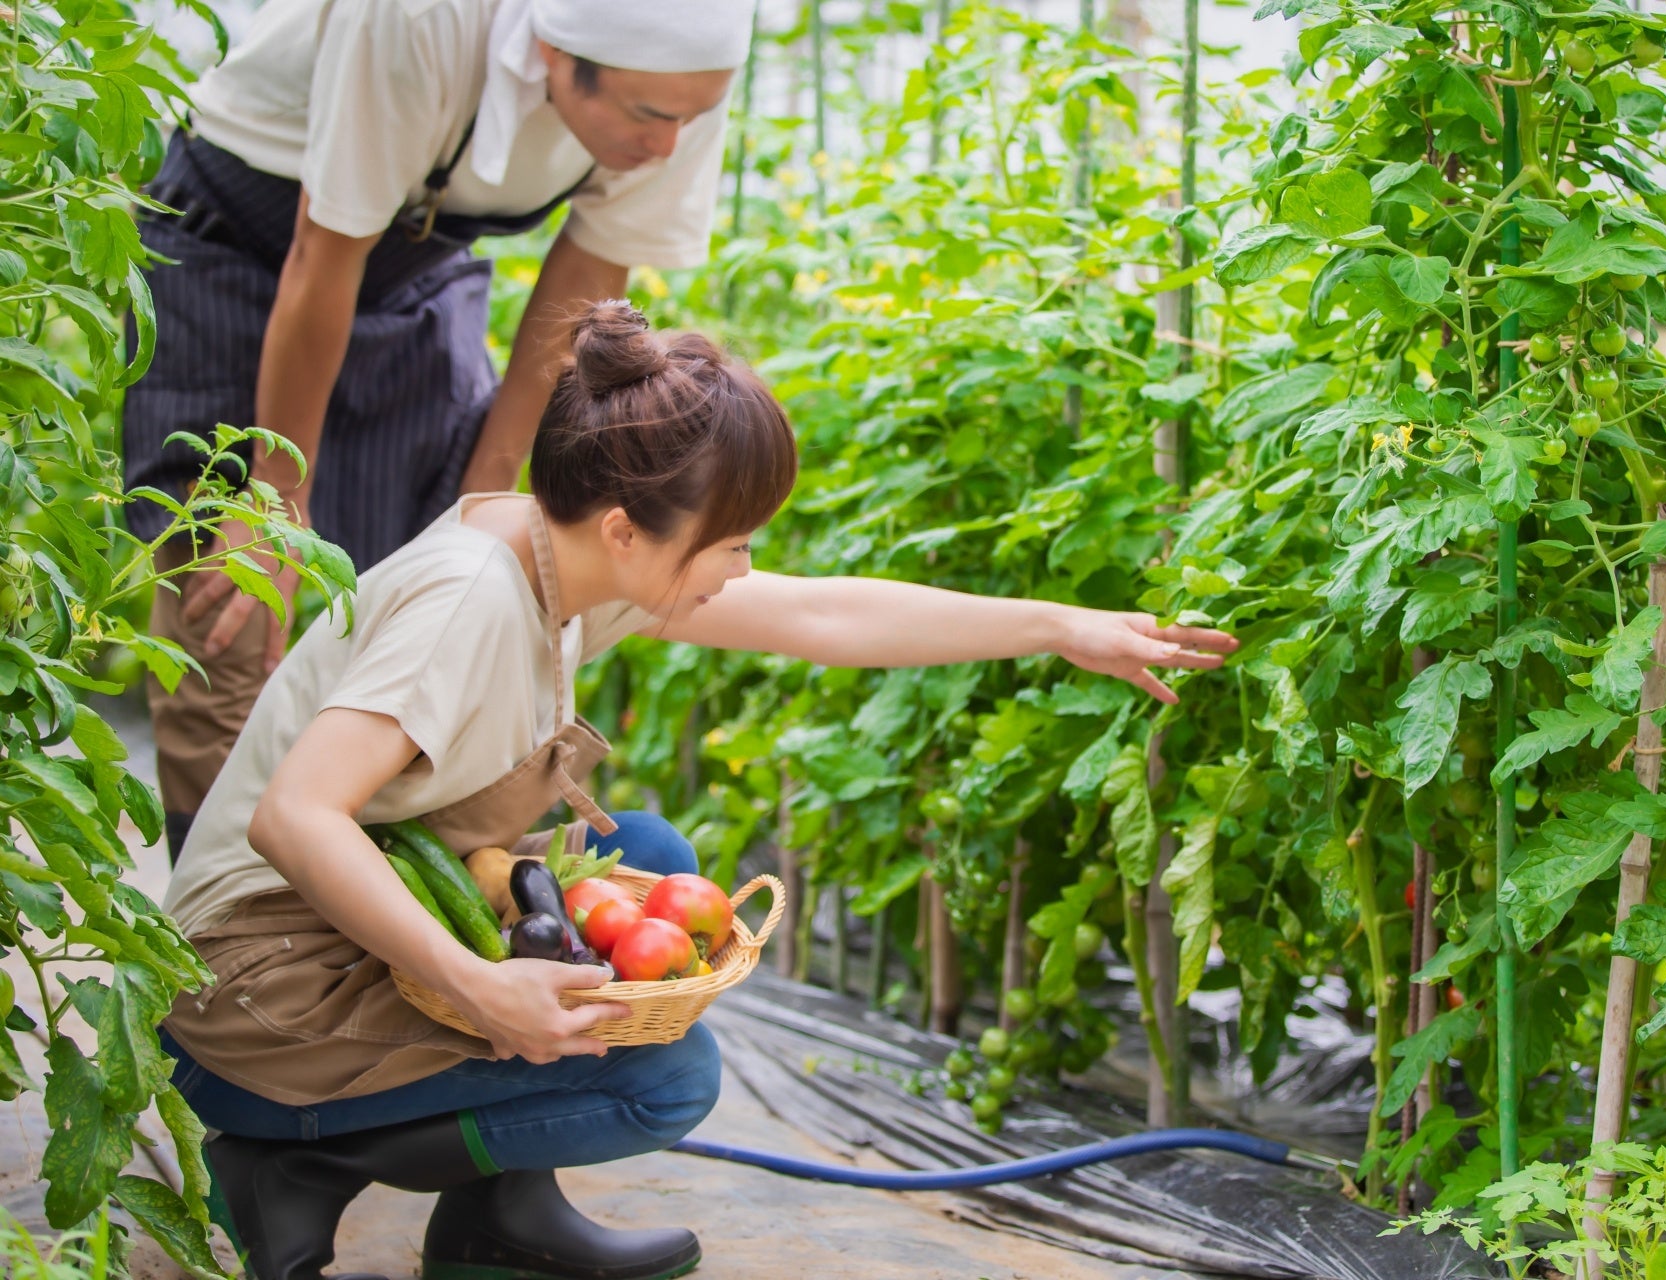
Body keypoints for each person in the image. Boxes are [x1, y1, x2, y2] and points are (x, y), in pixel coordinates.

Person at [156, 302, 1237, 1280]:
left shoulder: (564, 552)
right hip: (252, 995)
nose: (738, 567)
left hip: (322, 931)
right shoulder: (473, 601)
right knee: (655, 1081)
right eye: (728, 543)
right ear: (627, 526)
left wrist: (1059, 629)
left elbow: (819, 617)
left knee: (656, 859)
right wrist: (477, 987)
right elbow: (292, 814)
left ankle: (495, 1216)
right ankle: (300, 1165)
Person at [122, 0, 754, 862]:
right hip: (240, 245)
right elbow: (323, 249)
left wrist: (491, 488)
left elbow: (591, 267)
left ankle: (365, 895)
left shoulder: (672, 90)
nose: (670, 145)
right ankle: (221, 932)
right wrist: (273, 500)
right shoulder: (417, 17)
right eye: (649, 116)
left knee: (431, 573)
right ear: (552, 55)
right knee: (232, 593)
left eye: (693, 117)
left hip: (414, 264)